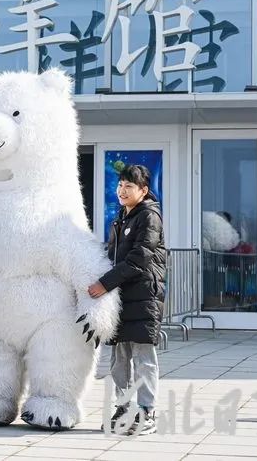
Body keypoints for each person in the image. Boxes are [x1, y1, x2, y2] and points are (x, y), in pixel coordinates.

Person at [87, 164, 166, 436]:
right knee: (119, 359)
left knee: (144, 357)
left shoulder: (149, 216)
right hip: (121, 299)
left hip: (143, 298)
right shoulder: (121, 217)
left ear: (143, 190)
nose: (122, 190)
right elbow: (113, 258)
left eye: (129, 186)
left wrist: (104, 284)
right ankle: (123, 408)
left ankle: (147, 412)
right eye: (120, 185)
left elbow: (139, 259)